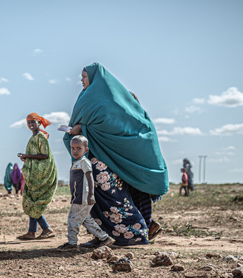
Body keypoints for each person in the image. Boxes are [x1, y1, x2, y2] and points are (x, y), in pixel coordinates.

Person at [64, 63, 168, 246]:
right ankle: (108, 235)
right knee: (96, 197)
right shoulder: (89, 99)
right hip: (101, 158)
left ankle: (134, 233)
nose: (81, 80)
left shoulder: (107, 102)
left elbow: (112, 126)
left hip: (116, 159)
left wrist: (84, 128)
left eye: (85, 77)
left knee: (115, 198)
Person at [58, 136, 114, 250]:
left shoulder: (84, 162)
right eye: (73, 148)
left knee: (72, 219)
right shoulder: (76, 163)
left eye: (79, 148)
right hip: (78, 197)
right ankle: (104, 238)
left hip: (83, 197)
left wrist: (91, 195)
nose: (75, 151)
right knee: (86, 220)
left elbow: (90, 179)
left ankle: (72, 243)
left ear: (86, 150)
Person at [16, 113, 58, 240]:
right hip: (34, 174)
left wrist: (27, 156)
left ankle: (46, 229)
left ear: (39, 123)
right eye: (29, 122)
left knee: (33, 202)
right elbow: (36, 156)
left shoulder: (41, 137)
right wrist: (27, 158)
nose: (31, 125)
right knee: (31, 201)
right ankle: (32, 232)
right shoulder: (33, 138)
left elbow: (45, 155)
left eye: (33, 122)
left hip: (41, 176)